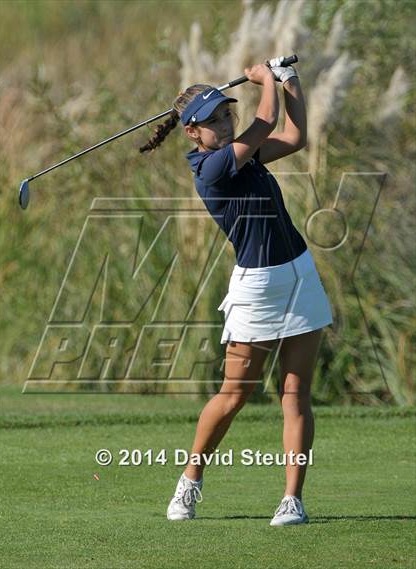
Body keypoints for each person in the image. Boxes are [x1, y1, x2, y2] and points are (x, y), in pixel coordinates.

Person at [139, 58, 333, 526]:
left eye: (227, 114)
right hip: (258, 287)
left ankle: (292, 500)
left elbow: (294, 135)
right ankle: (189, 482)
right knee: (235, 393)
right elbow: (265, 121)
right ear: (192, 133)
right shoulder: (211, 169)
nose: (225, 123)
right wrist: (263, 78)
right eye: (213, 120)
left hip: (300, 274)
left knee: (296, 393)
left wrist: (289, 82)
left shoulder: (244, 155)